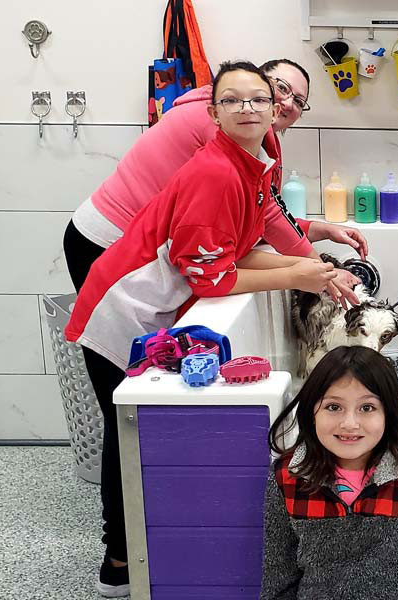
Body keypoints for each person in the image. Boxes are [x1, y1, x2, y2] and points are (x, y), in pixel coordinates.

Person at [64, 61, 338, 598]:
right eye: (237, 100)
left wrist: (314, 265)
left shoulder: (252, 161)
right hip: (123, 302)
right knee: (130, 425)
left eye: (267, 100)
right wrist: (299, 272)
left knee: (137, 422)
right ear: (212, 111)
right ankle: (120, 563)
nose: (256, 108)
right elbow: (212, 279)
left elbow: (256, 234)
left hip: (151, 292)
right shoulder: (214, 168)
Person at [64, 57, 366, 309]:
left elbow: (256, 211)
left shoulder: (259, 142)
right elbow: (266, 216)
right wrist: (323, 272)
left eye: (298, 100)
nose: (287, 102)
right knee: (121, 366)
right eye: (280, 88)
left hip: (146, 248)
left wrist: (317, 230)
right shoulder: (223, 134)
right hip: (106, 238)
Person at [260, 346, 398, 600]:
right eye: (333, 407)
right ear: (312, 411)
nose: (350, 423)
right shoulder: (288, 478)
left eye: (367, 408)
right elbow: (278, 583)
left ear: (389, 412)